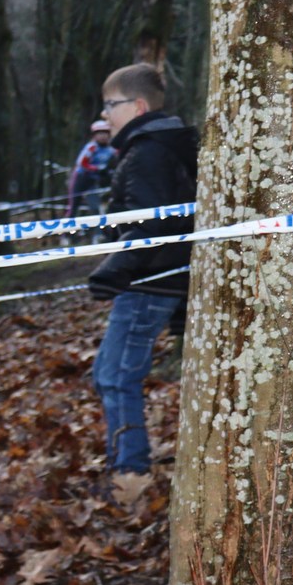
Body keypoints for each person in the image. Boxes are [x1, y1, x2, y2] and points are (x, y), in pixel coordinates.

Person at [87, 64, 197, 492]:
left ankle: (130, 472)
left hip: (150, 282)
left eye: (109, 106)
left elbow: (154, 225)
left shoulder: (150, 150)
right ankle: (123, 459)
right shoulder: (149, 147)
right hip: (149, 279)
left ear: (137, 106)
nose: (104, 116)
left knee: (117, 376)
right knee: (105, 374)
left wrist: (115, 268)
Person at [67, 120, 116, 218]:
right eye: (100, 133)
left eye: (105, 133)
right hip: (80, 178)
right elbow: (82, 163)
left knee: (95, 207)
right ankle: (66, 232)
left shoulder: (111, 149)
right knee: (73, 207)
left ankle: (98, 233)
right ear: (94, 135)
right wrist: (96, 169)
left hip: (93, 181)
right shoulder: (91, 147)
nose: (103, 136)